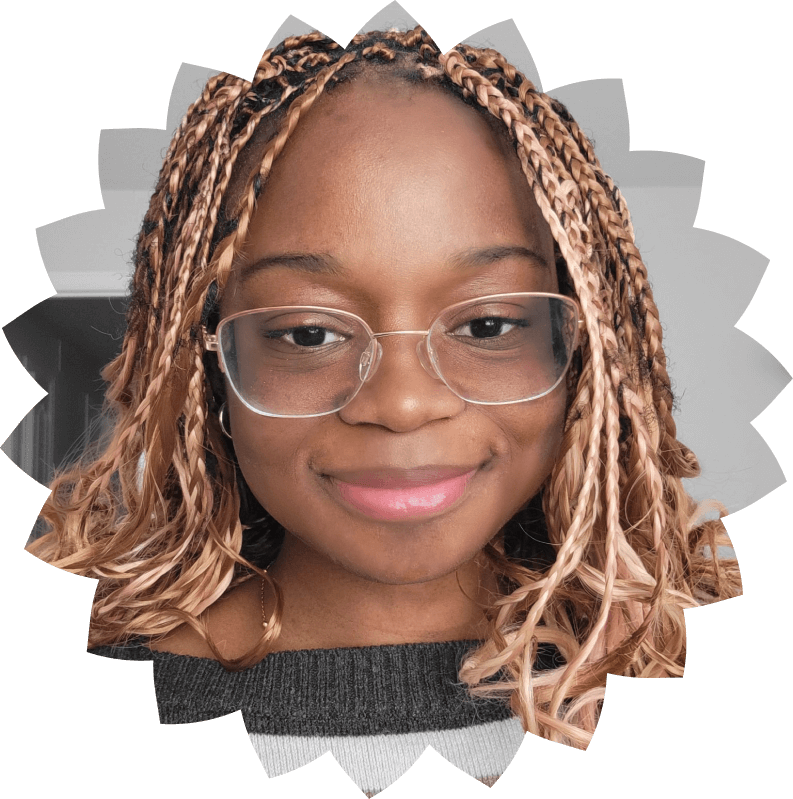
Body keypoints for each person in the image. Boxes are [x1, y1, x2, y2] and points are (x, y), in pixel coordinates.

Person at [25, 24, 741, 789]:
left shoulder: (658, 653)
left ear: (584, 361)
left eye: (487, 325)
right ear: (208, 371)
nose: (401, 403)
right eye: (306, 332)